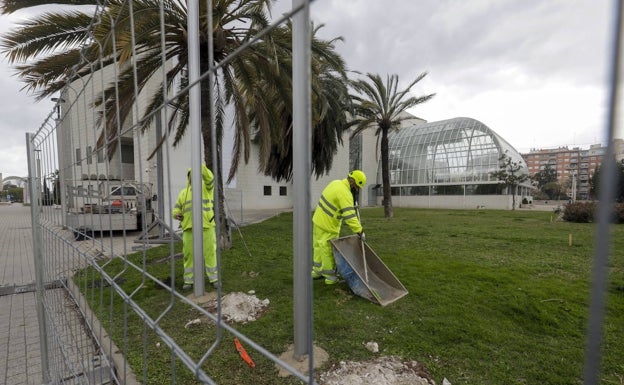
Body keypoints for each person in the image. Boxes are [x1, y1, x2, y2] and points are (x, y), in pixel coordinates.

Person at [312, 170, 366, 284]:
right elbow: (350, 215)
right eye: (357, 186)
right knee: (327, 250)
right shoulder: (345, 194)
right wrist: (360, 231)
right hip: (329, 225)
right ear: (353, 182)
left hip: (318, 220)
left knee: (318, 246)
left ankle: (317, 271)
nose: (356, 189)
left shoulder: (335, 183)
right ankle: (330, 277)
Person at [172, 164, 218, 290]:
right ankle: (189, 280)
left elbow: (210, 178)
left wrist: (200, 166)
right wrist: (176, 214)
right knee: (188, 255)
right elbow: (176, 208)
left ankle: (214, 278)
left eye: (196, 175)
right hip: (188, 228)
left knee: (210, 253)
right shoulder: (183, 193)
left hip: (206, 226)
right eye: (192, 175)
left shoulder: (206, 188)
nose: (194, 178)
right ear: (189, 178)